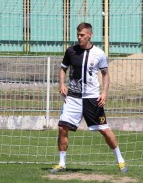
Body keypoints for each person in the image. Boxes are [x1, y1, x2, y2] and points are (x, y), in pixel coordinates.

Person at [49, 22, 127, 173]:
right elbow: (63, 69)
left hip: (92, 98)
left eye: (82, 35)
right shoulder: (71, 51)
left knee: (104, 130)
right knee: (62, 127)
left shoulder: (99, 54)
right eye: (78, 35)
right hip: (73, 97)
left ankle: (120, 160)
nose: (79, 37)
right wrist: (62, 84)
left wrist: (104, 92)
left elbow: (105, 74)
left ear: (90, 35)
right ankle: (61, 163)